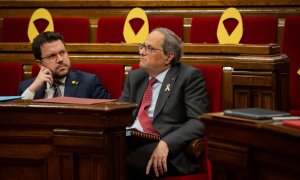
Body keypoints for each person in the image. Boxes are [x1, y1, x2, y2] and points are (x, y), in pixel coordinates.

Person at [119, 27, 209, 178]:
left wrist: (167, 143)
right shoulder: (135, 77)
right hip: (129, 140)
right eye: (142, 46)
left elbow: (199, 122)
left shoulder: (189, 77)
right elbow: (120, 114)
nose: (141, 52)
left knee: (116, 158)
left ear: (168, 57)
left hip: (164, 148)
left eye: (149, 48)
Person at [18, 31, 111, 99]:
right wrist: (33, 89)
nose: (60, 59)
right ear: (39, 63)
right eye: (52, 56)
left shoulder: (89, 83)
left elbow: (110, 115)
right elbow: (17, 117)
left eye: (62, 52)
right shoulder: (27, 87)